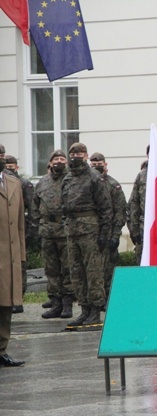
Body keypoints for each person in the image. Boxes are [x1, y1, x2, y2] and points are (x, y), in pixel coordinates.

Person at [62, 143, 112, 327]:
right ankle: (84, 308)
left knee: (93, 272)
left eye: (80, 153)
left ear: (86, 155)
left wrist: (104, 233)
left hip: (90, 229)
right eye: (73, 153)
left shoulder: (94, 177)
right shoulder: (67, 179)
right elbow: (64, 205)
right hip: (72, 230)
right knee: (76, 271)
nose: (76, 156)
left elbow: (105, 208)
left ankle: (95, 310)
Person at [33, 150, 75, 319]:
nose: (59, 161)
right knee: (51, 269)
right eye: (55, 159)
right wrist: (38, 225)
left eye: (62, 159)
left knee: (67, 268)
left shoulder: (71, 180)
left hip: (64, 229)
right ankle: (55, 303)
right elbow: (35, 205)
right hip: (47, 230)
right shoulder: (42, 182)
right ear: (50, 163)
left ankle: (67, 304)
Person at [0, 150, 26, 368]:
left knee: (6, 304)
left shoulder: (13, 183)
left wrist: (21, 255)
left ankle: (2, 350)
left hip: (10, 255)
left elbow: (19, 224)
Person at [89, 153, 127, 300]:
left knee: (109, 268)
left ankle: (110, 298)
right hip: (91, 231)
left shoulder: (113, 185)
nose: (95, 166)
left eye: (98, 163)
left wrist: (116, 234)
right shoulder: (87, 183)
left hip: (110, 231)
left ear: (105, 164)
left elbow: (120, 211)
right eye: (92, 163)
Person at [127, 146, 148, 265]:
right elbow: (133, 205)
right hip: (143, 228)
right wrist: (134, 231)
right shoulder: (141, 176)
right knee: (143, 264)